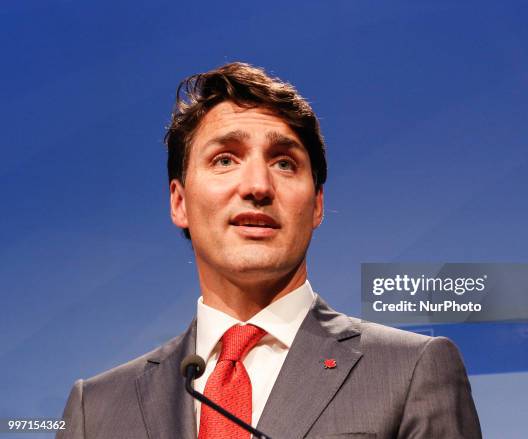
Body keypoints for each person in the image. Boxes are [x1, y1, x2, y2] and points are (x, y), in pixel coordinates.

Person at [58, 62, 482, 439]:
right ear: (180, 202)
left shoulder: (409, 371)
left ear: (316, 204)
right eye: (225, 159)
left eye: (284, 163)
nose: (258, 186)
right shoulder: (95, 409)